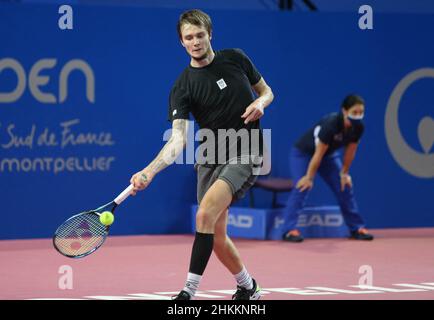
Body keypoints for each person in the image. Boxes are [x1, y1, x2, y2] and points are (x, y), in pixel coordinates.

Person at [130, 9, 274, 300]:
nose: (195, 41)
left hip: (245, 149)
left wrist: (261, 102)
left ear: (210, 34)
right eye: (188, 37)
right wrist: (149, 170)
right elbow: (178, 140)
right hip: (210, 156)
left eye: (199, 35)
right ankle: (249, 287)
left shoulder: (236, 58)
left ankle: (188, 292)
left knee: (204, 213)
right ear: (181, 43)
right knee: (217, 236)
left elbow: (268, 91)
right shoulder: (182, 87)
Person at [282, 94, 374, 243]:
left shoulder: (358, 127)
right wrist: (309, 177)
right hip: (304, 154)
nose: (358, 116)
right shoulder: (331, 124)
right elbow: (318, 153)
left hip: (328, 156)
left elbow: (351, 151)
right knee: (303, 186)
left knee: (344, 186)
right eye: (354, 112)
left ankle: (356, 228)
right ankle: (289, 230)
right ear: (344, 111)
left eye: (361, 113)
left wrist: (344, 172)